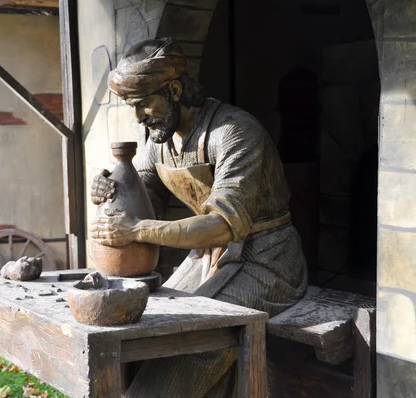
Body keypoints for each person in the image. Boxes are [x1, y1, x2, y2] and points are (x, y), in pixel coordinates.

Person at [90, 38, 308, 396]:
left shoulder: (234, 132)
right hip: (209, 258)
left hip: (268, 261)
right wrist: (109, 184)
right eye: (133, 106)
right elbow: (145, 197)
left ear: (174, 90)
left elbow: (223, 226)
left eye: (144, 104)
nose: (138, 117)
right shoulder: (160, 141)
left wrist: (137, 229)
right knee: (153, 324)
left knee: (196, 340)